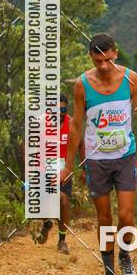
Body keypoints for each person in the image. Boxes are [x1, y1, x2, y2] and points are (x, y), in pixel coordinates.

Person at [60, 33, 137, 275]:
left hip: (124, 156)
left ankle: (125, 256)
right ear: (91, 57)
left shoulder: (130, 79)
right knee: (104, 217)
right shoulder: (82, 84)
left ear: (115, 53)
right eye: (97, 60)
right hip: (96, 160)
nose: (103, 65)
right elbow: (77, 125)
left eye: (107, 59)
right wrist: (69, 165)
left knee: (126, 215)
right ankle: (109, 274)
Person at [35, 93, 84, 254]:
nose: (61, 112)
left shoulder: (71, 124)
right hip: (43, 168)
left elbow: (81, 145)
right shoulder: (41, 122)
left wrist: (84, 168)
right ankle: (47, 223)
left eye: (64, 108)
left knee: (63, 200)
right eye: (57, 109)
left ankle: (62, 241)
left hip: (63, 169)